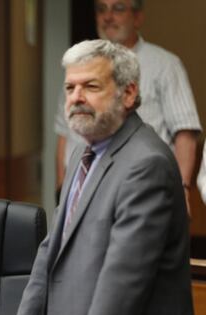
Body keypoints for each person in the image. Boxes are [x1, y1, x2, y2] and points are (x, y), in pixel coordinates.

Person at [0, 39, 199, 315]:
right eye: (70, 87)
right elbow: (53, 251)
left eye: (91, 86)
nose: (76, 97)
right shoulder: (89, 151)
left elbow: (125, 279)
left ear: (129, 94)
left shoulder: (146, 163)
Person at [55, 0, 201, 214]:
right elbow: (64, 135)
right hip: (81, 193)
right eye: (101, 9)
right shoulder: (80, 66)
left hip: (141, 191)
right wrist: (62, 193)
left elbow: (185, 132)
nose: (108, 16)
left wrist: (182, 190)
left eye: (118, 8)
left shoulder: (165, 65)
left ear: (138, 17)